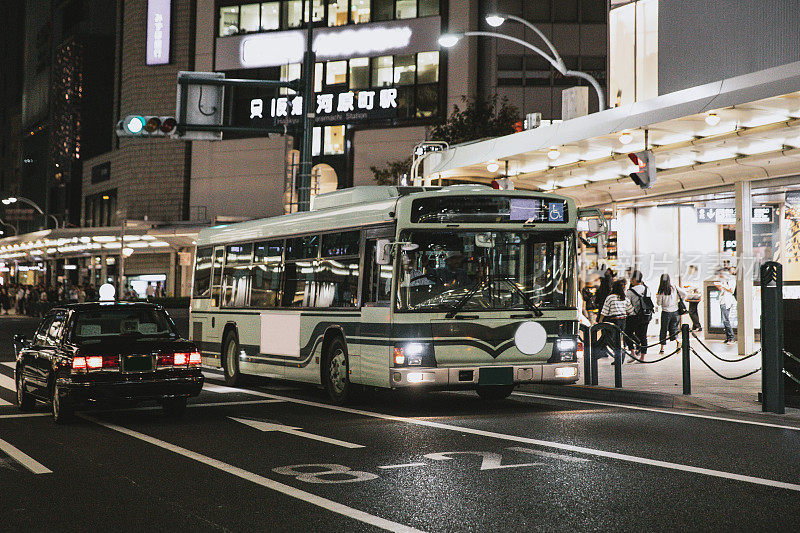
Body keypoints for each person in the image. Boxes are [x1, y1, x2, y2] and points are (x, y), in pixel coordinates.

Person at [598, 278, 634, 365]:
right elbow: (631, 310)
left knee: (611, 340)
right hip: (622, 321)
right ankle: (618, 357)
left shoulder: (610, 297)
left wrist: (600, 322)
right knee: (618, 339)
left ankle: (619, 353)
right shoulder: (624, 297)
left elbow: (604, 311)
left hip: (613, 321)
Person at [625, 270, 654, 362]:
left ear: (634, 279)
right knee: (643, 336)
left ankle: (633, 354)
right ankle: (642, 357)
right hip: (646, 315)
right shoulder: (647, 289)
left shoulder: (630, 291)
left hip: (633, 316)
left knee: (627, 333)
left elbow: (627, 304)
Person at [656, 273, 686, 354]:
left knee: (664, 330)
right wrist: (678, 300)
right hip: (675, 312)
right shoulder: (674, 287)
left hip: (666, 312)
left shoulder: (661, 291)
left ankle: (662, 349)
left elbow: (658, 303)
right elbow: (684, 294)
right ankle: (678, 342)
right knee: (674, 329)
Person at [715, 267, 736, 344]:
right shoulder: (725, 280)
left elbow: (731, 290)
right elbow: (723, 290)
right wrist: (719, 286)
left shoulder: (731, 280)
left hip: (727, 301)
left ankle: (731, 338)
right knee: (724, 320)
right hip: (723, 301)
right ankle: (728, 337)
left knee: (726, 320)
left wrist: (722, 285)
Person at [683, 265, 703, 332]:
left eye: (691, 269)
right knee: (694, 311)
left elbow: (696, 286)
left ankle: (698, 325)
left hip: (694, 296)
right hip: (694, 296)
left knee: (691, 311)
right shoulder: (692, 277)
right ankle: (695, 326)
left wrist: (689, 287)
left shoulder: (696, 277)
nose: (689, 271)